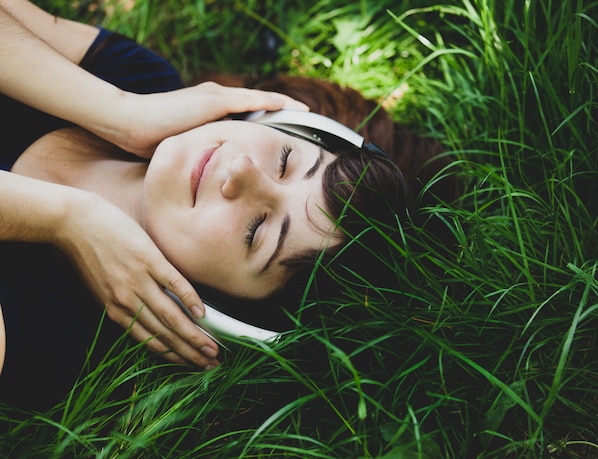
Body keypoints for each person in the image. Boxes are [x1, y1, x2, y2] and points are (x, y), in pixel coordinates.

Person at [0, 0, 453, 410]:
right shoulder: (140, 81)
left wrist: (65, 218)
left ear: (224, 313)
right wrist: (118, 110)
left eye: (256, 230)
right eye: (285, 159)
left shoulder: (45, 340)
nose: (239, 172)